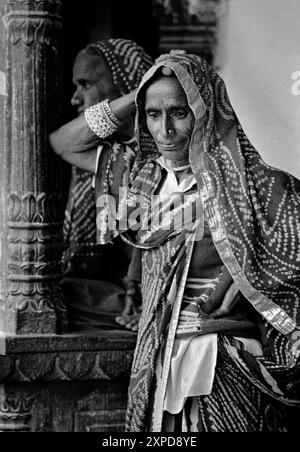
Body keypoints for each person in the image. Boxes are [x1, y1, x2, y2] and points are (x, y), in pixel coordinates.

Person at [50, 53, 300, 431]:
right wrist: (142, 91)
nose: (164, 129)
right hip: (157, 361)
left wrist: (249, 277)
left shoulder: (258, 185)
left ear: (206, 109)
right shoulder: (141, 182)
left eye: (179, 112)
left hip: (227, 364)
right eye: (153, 114)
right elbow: (65, 143)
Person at [55, 39, 152, 331]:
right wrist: (137, 95)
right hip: (118, 295)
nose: (75, 97)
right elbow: (61, 142)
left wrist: (141, 93)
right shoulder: (115, 156)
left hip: (163, 294)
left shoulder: (166, 153)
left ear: (123, 83)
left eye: (85, 84)